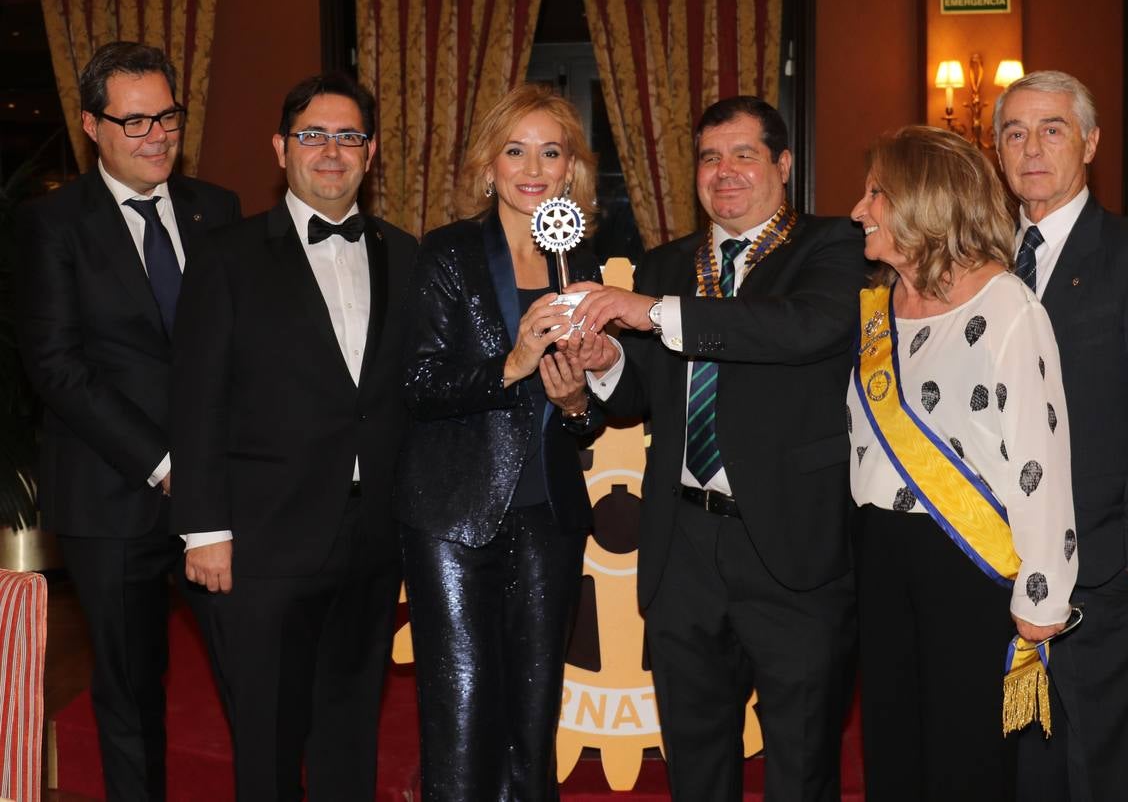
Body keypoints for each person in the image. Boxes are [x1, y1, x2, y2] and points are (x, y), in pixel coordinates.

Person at [569, 96, 865, 801]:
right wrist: (604, 360)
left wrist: (651, 313)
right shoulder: (666, 262)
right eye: (709, 158)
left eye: (743, 155)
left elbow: (799, 329)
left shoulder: (829, 247)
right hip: (682, 550)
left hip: (794, 548)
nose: (723, 172)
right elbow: (638, 393)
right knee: (695, 764)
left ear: (783, 164)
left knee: (799, 762)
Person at [168, 73, 417, 801]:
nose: (331, 152)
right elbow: (197, 398)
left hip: (373, 537)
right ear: (281, 149)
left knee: (350, 729)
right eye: (313, 135)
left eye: (347, 137)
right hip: (262, 539)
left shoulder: (406, 254)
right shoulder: (226, 256)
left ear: (370, 153)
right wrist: (203, 529)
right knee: (269, 739)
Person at [15, 41, 240, 801]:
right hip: (109, 497)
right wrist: (168, 463)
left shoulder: (219, 209)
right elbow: (56, 367)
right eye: (135, 120)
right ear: (91, 125)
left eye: (168, 116)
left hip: (221, 500)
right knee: (130, 696)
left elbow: (246, 350)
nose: (158, 136)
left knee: (254, 677)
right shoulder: (53, 224)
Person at [846, 125, 1078, 801]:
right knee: (890, 746)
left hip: (966, 561)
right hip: (878, 553)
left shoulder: (1007, 305)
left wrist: (1042, 593)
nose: (858, 209)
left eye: (875, 194)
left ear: (922, 200)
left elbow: (1040, 455)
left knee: (964, 758)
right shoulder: (873, 306)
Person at [395, 83, 607, 802]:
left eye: (550, 151)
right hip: (454, 518)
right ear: (487, 166)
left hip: (548, 518)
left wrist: (577, 403)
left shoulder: (584, 265)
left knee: (532, 718)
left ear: (571, 170)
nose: (532, 166)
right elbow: (417, 384)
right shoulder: (449, 253)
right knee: (460, 720)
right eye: (514, 149)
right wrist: (512, 364)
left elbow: (585, 421)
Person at [994, 71, 1128, 802]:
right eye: (1013, 132)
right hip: (996, 560)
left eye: (1051, 128)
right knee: (1024, 759)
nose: (1031, 147)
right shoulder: (982, 266)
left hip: (1102, 563)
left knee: (1101, 760)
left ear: (1091, 142)